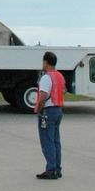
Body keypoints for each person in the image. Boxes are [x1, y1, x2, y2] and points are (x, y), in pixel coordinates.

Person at [33, 51, 65, 179]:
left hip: (48, 111)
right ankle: (57, 168)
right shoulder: (59, 76)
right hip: (58, 110)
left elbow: (43, 96)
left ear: (46, 62)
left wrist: (38, 109)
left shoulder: (46, 77)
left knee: (47, 141)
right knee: (56, 141)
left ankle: (51, 169)